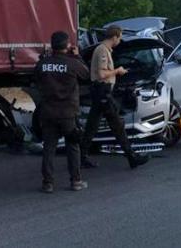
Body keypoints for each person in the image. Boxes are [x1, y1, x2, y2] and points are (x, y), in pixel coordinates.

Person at [81, 25, 149, 169]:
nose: (120, 40)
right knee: (117, 126)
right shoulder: (102, 51)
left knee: (92, 126)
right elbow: (101, 74)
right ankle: (131, 157)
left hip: (101, 92)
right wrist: (117, 71)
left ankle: (81, 156)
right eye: (120, 37)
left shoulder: (103, 50)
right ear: (114, 37)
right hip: (102, 92)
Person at [34, 31, 90, 193]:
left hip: (48, 112)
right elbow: (86, 75)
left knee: (49, 148)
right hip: (67, 113)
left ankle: (48, 183)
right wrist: (77, 56)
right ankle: (76, 180)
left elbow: (36, 80)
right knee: (72, 146)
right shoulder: (72, 63)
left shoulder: (42, 64)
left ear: (52, 45)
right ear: (66, 45)